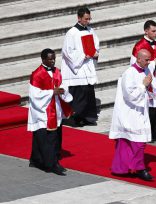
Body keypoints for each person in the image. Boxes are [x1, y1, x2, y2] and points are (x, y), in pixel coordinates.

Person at [109, 49, 156, 181]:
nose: (149, 62)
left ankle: (123, 168)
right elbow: (129, 95)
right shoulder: (129, 73)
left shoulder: (146, 70)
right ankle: (140, 168)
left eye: (149, 59)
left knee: (132, 142)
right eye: (147, 60)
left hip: (140, 111)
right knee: (136, 142)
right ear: (138, 59)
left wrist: (150, 87)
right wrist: (144, 85)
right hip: (130, 113)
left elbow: (149, 87)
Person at [28, 48, 73, 176]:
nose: (53, 61)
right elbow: (34, 95)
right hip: (43, 111)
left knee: (46, 137)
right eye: (50, 59)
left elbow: (62, 84)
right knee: (47, 138)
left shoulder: (57, 71)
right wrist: (52, 92)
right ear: (43, 60)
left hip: (55, 108)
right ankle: (52, 164)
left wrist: (63, 89)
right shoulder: (37, 74)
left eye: (54, 58)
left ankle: (36, 160)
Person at [130, 20, 156, 143]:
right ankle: (149, 132)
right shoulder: (139, 45)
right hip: (147, 78)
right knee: (151, 109)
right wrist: (153, 63)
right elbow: (134, 65)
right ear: (146, 31)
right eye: (153, 31)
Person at [61, 7, 99, 126]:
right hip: (77, 68)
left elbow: (96, 44)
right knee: (79, 94)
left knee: (88, 93)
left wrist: (95, 52)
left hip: (87, 66)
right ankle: (75, 118)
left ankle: (88, 117)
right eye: (86, 19)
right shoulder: (71, 33)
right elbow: (67, 52)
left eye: (89, 19)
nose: (88, 21)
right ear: (79, 18)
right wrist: (83, 55)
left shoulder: (90, 30)